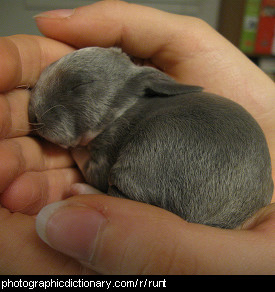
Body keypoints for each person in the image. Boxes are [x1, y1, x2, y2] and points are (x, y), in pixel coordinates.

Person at [0, 1, 274, 274]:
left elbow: (107, 166)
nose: (38, 108)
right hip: (238, 195)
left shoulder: (135, 114)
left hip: (209, 188)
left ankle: (122, 199)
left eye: (78, 88)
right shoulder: (137, 106)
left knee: (161, 140)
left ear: (138, 83)